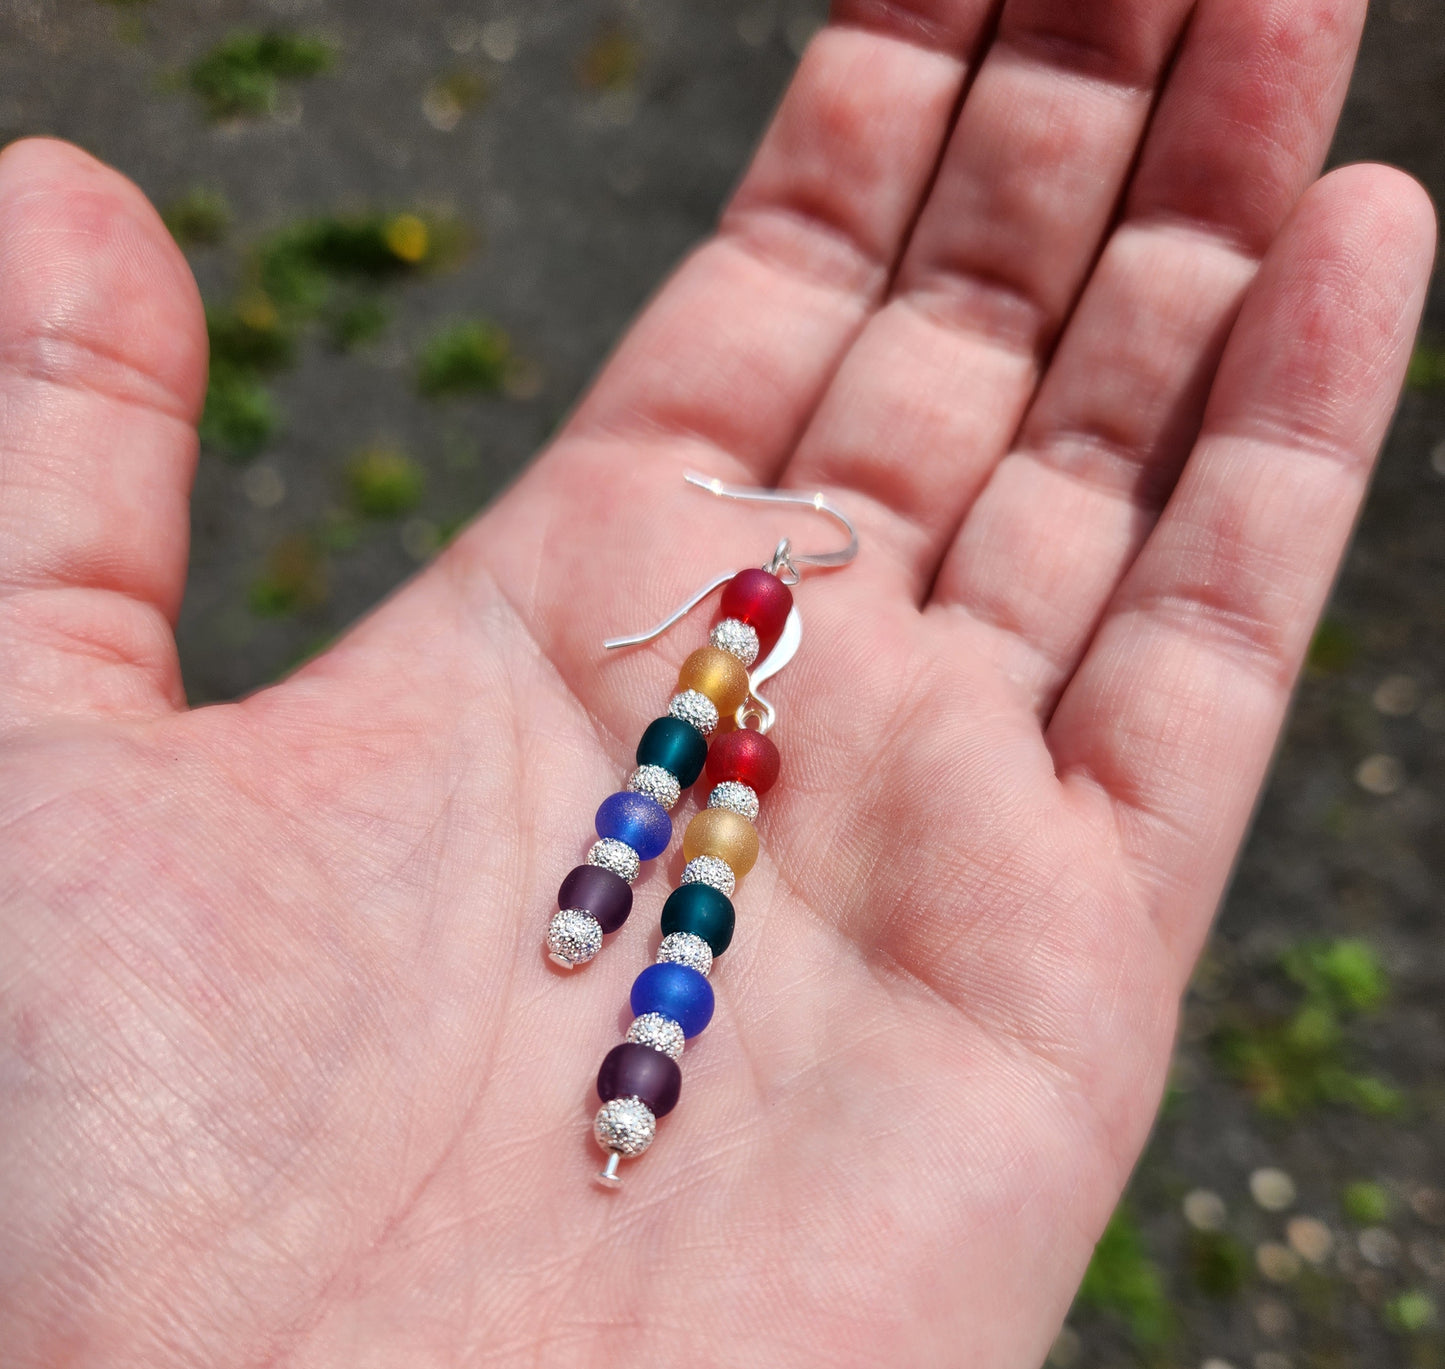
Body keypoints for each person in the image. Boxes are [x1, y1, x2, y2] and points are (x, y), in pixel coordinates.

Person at [0, 0, 1433, 1364]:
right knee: (662, 820)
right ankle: (611, 948)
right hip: (716, 679)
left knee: (689, 844)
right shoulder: (736, 630)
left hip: (726, 696)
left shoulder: (748, 661)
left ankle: (621, 987)